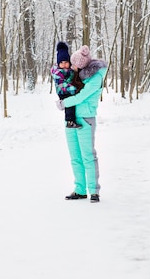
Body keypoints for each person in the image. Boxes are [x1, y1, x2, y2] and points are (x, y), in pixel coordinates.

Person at [55, 45, 107, 203]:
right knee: (75, 157)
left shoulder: (95, 77)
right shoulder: (78, 75)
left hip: (85, 119)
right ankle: (80, 189)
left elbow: (82, 97)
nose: (72, 67)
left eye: (74, 64)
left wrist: (63, 103)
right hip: (70, 119)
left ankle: (94, 191)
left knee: (88, 156)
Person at [51, 42, 84, 128]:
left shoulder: (70, 70)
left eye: (66, 62)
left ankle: (73, 119)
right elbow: (62, 84)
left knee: (73, 103)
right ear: (58, 64)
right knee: (69, 103)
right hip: (62, 91)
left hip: (68, 89)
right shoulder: (57, 72)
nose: (64, 64)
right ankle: (70, 121)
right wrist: (74, 89)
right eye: (61, 62)